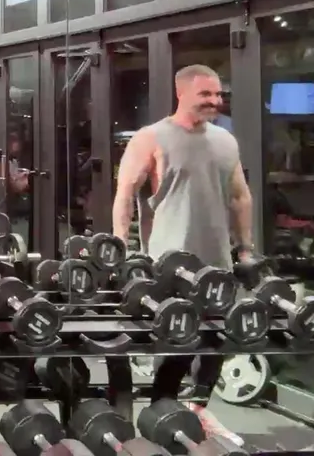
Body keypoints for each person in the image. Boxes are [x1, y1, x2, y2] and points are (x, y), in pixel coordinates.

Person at [113, 64, 252, 405]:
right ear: (181, 93)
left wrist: (246, 250)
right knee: (177, 341)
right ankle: (164, 410)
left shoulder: (225, 141)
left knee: (217, 341)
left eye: (218, 94)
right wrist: (120, 247)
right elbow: (125, 194)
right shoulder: (151, 137)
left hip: (217, 260)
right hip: (170, 264)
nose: (215, 100)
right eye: (205, 93)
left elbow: (240, 197)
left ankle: (198, 406)